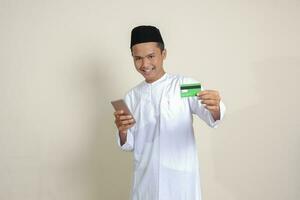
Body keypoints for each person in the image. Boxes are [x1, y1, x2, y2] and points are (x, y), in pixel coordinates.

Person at [113, 25, 226, 200]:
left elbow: (212, 117)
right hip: (146, 180)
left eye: (151, 56)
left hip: (179, 180)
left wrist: (215, 107)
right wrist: (122, 130)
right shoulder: (131, 97)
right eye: (138, 58)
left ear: (163, 54)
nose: (145, 64)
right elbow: (128, 144)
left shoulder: (184, 85)